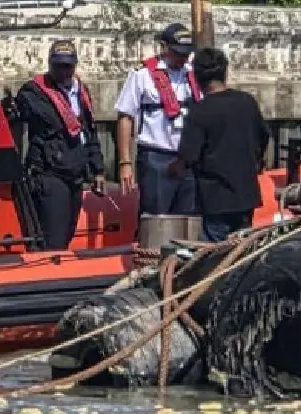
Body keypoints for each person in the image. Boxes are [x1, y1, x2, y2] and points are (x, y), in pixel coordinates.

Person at [15, 38, 104, 251]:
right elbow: (43, 119)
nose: (64, 71)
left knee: (68, 232)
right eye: (58, 66)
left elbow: (89, 132)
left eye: (68, 66)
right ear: (50, 64)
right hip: (49, 173)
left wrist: (98, 170)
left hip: (75, 172)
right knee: (52, 235)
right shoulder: (34, 92)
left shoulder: (81, 92)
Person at [175, 47, 271, 242]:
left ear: (197, 77)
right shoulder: (247, 102)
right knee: (241, 248)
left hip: (216, 199)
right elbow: (263, 137)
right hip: (245, 194)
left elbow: (189, 155)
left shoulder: (200, 111)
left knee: (214, 252)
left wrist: (174, 168)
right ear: (225, 72)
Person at [115, 23, 200, 215]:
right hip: (156, 157)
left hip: (187, 158)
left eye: (186, 54)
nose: (182, 58)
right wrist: (125, 162)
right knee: (155, 217)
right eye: (178, 53)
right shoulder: (142, 74)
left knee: (188, 218)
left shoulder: (193, 74)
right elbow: (125, 116)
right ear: (164, 47)